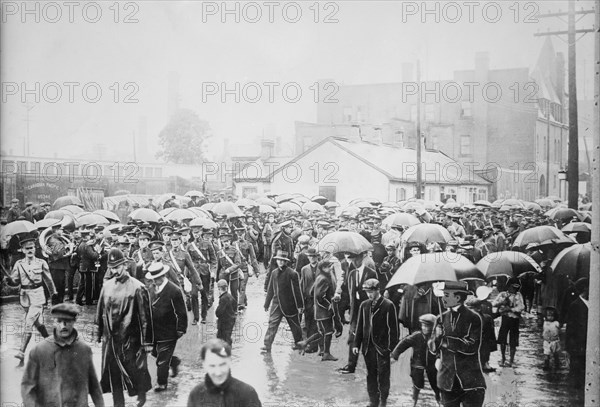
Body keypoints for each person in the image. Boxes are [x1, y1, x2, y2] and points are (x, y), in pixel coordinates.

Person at [96, 248, 153, 407]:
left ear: (125, 265)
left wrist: (147, 342)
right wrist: (99, 333)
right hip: (111, 341)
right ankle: (118, 404)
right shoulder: (106, 286)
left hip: (130, 339)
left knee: (134, 370)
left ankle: (141, 394)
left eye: (117, 266)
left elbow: (145, 318)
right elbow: (100, 311)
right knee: (113, 374)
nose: (114, 271)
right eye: (111, 267)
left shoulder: (138, 287)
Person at [21, 303, 105, 407]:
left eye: (67, 321)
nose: (63, 326)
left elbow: (95, 387)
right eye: (59, 321)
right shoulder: (39, 351)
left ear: (74, 321)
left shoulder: (84, 350)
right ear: (53, 322)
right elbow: (27, 388)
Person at [428, 281, 486, 407]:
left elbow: (472, 347)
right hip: (447, 381)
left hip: (470, 381)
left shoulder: (474, 318)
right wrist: (437, 337)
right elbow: (432, 349)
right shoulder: (440, 319)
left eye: (447, 295)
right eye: (443, 295)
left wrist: (447, 340)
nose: (443, 298)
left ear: (458, 298)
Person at [5, 237, 58, 365]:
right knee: (37, 322)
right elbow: (15, 282)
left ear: (35, 249)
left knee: (29, 321)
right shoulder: (18, 264)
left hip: (38, 296)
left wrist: (54, 294)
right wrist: (9, 281)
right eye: (27, 248)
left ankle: (21, 352)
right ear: (22, 250)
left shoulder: (41, 263)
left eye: (32, 248)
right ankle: (52, 344)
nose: (30, 250)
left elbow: (49, 280)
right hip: (24, 297)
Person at [352, 278, 399, 407]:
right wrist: (356, 344)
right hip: (368, 347)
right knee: (370, 375)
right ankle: (373, 401)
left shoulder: (388, 305)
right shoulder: (364, 305)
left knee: (383, 375)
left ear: (378, 290)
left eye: (371, 292)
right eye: (367, 292)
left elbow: (393, 330)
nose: (369, 295)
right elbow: (360, 326)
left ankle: (383, 401)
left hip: (382, 347)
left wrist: (392, 349)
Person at [146, 262, 187, 392]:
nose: (154, 281)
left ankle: (162, 383)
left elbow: (181, 312)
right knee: (154, 352)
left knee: (162, 359)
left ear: (163, 275)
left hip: (169, 331)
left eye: (157, 278)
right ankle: (174, 361)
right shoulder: (151, 288)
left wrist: (181, 328)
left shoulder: (174, 290)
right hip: (154, 330)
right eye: (153, 278)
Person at [187, 339, 261, 406]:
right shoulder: (196, 394)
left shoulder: (247, 393)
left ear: (229, 361)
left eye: (222, 365)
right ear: (204, 365)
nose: (218, 373)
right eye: (212, 366)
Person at [339, 250, 378, 374]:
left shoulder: (371, 272)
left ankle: (372, 367)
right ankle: (351, 365)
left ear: (361, 258)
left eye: (355, 259)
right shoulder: (351, 274)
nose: (353, 262)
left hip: (367, 310)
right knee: (352, 337)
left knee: (368, 337)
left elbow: (375, 291)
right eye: (351, 260)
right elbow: (347, 291)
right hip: (355, 310)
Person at [391, 313, 440, 407]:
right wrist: (394, 355)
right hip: (417, 364)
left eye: (427, 326)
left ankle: (439, 400)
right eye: (423, 325)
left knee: (436, 384)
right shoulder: (417, 336)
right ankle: (414, 401)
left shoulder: (436, 339)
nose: (424, 328)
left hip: (432, 365)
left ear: (433, 327)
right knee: (417, 383)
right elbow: (404, 343)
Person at [261, 249, 304, 353]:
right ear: (276, 261)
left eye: (282, 260)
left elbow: (297, 291)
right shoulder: (274, 273)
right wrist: (266, 303)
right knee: (272, 324)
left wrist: (300, 306)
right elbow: (271, 289)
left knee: (295, 325)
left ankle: (299, 343)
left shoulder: (292, 274)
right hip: (276, 305)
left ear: (286, 262)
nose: (280, 262)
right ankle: (267, 345)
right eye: (278, 260)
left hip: (290, 305)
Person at [297, 260, 339, 361]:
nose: (331, 268)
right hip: (324, 311)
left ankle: (304, 343)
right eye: (328, 266)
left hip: (318, 310)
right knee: (328, 331)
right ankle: (326, 353)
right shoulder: (324, 279)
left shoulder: (319, 278)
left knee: (321, 331)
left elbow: (312, 292)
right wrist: (329, 305)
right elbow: (320, 296)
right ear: (323, 268)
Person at [188, 225, 218, 324]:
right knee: (193, 294)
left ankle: (204, 316)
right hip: (194, 273)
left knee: (204, 294)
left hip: (205, 272)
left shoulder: (208, 243)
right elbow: (187, 262)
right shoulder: (190, 246)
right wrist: (186, 275)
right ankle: (196, 317)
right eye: (194, 233)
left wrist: (213, 271)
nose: (196, 235)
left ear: (201, 232)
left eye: (197, 232)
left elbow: (214, 260)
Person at [492, 277, 524, 367]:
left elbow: (521, 307)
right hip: (505, 319)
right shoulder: (503, 294)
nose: (515, 289)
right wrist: (503, 302)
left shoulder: (518, 295)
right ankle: (503, 358)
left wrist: (511, 309)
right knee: (502, 339)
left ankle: (512, 360)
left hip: (514, 320)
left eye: (517, 287)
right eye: (513, 287)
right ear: (509, 286)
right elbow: (494, 303)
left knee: (513, 340)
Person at [565, 277, 588, 380]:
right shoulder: (575, 305)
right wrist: (569, 348)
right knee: (576, 375)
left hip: (589, 346)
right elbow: (570, 328)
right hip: (578, 346)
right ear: (585, 289)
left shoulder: (594, 304)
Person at [216, 279, 237, 346]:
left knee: (222, 337)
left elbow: (218, 312)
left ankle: (225, 351)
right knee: (227, 336)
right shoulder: (230, 296)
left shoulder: (223, 299)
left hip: (224, 322)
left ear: (219, 289)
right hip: (231, 320)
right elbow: (235, 306)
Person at [542, 306, 561, 370]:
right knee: (546, 353)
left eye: (552, 316)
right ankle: (546, 364)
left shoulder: (556, 323)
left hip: (554, 341)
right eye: (548, 315)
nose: (550, 317)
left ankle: (557, 364)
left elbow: (559, 329)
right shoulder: (545, 322)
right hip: (547, 341)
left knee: (555, 353)